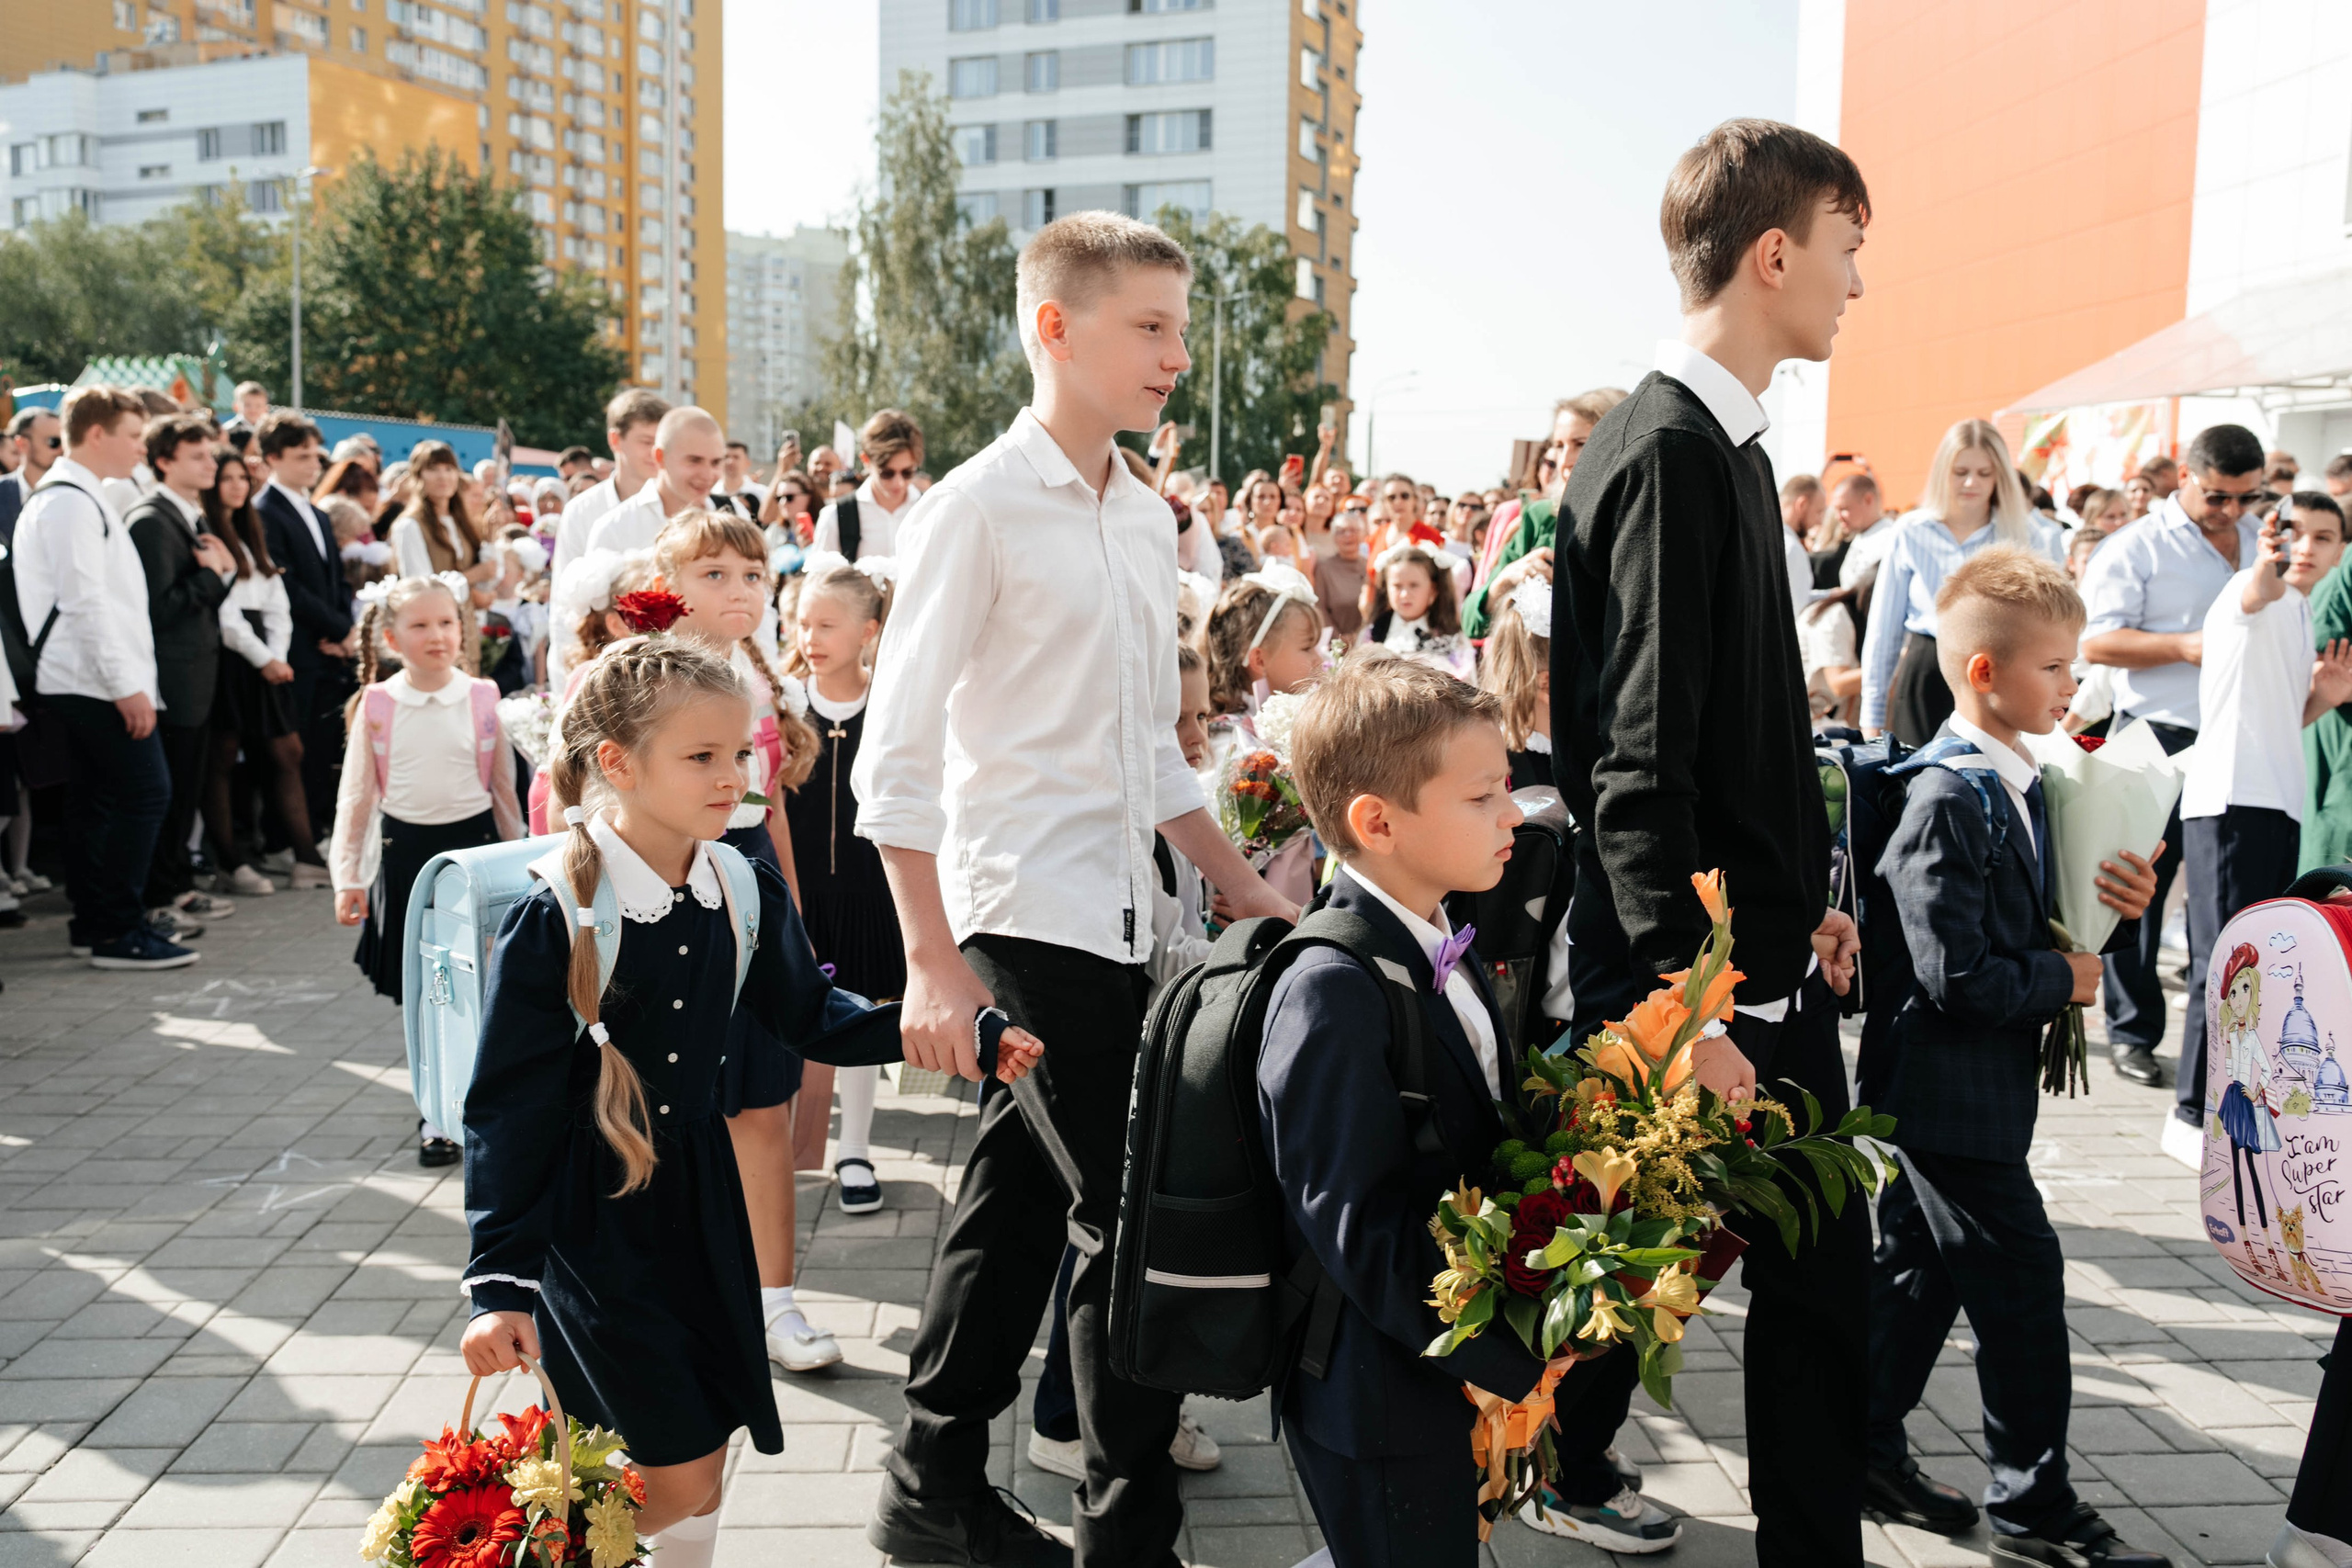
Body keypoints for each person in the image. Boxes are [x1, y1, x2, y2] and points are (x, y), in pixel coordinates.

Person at [856, 211, 1295, 1568]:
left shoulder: (1146, 514)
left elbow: (1150, 756)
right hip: (1019, 919)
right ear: (1057, 326)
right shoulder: (973, 508)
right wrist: (935, 961)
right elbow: (896, 758)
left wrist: (1247, 894)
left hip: (1131, 920)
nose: (1178, 352)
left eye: (1180, 324)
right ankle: (1124, 1525)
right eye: (1151, 325)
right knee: (1123, 1215)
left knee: (1016, 1209)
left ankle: (931, 1490)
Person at [459, 637, 1041, 1568]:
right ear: (617, 763)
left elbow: (811, 1013)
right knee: (669, 1468)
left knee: (698, 1451)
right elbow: (507, 1110)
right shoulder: (560, 913)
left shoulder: (738, 882)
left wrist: (956, 1035)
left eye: (739, 753)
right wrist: (499, 1281)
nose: (733, 776)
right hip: (595, 1231)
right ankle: (534, 1555)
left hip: (701, 1201)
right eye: (702, 757)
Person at [1552, 118, 1870, 1566]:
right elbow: (1635, 764)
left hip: (1750, 967)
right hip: (1704, 992)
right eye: (1849, 249)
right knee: (1770, 1288)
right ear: (1776, 251)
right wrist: (1691, 999)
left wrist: (1809, 899)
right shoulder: (1674, 448)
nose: (1857, 286)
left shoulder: (1720, 440)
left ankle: (1554, 1455)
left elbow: (1736, 735)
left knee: (1670, 1264)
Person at [1266, 652, 1662, 1561]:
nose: (1515, 814)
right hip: (1376, 1395)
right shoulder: (1332, 988)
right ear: (1378, 822)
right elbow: (1358, 1229)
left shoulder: (1443, 934)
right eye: (1483, 796)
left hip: (1434, 1370)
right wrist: (1513, 1353)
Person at [1865, 546, 2167, 1566]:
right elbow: (1953, 976)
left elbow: (2036, 934)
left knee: (1917, 1273)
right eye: (2053, 668)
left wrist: (2107, 915)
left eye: (2074, 666)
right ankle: (2034, 1506)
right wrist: (2065, 982)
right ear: (1983, 673)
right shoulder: (1949, 797)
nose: (2070, 686)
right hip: (1943, 1092)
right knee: (2025, 1288)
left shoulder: (2022, 781)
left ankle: (1863, 1446)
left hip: (1975, 1089)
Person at [651, 509, 836, 1373]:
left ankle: (777, 1302)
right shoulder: (638, 678)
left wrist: (791, 906)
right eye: (714, 574)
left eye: (753, 575)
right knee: (666, 1107)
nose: (740, 590)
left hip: (748, 880)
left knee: (763, 1104)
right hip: (663, 888)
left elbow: (769, 811)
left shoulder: (763, 685)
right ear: (668, 586)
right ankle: (682, 1296)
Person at [2079, 422, 2265, 1100]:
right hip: (2155, 731)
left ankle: (2215, 1042)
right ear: (2186, 476)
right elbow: (2097, 643)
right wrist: (2185, 647)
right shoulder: (2136, 546)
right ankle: (2131, 1033)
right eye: (2218, 496)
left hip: (2234, 732)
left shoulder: (2256, 539)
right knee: (2138, 889)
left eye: (2246, 497)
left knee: (2218, 890)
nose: (2232, 512)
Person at [2176, 492, 2352, 1173]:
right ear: (2270, 536)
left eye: (2324, 537)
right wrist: (2269, 561)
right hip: (2229, 798)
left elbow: (2280, 716)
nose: (2306, 546)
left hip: (2276, 804)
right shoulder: (2254, 589)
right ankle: (2192, 1112)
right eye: (2292, 532)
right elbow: (2259, 584)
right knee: (2219, 966)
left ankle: (2225, 1112)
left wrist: (2325, 698)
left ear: (2340, 550)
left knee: (2255, 968)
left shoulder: (2303, 610)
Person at [330, 575, 522, 1162]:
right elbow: (356, 797)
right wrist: (349, 878)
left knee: (485, 987)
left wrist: (526, 867)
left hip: (475, 857)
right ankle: (436, 1114)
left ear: (461, 629)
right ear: (391, 637)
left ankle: (487, 1103)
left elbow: (505, 792)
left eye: (446, 622)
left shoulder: (485, 697)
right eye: (419, 625)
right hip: (406, 859)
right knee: (425, 994)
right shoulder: (378, 705)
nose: (436, 635)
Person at [11, 387, 194, 969]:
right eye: (134, 437)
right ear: (96, 434)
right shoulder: (67, 502)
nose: (142, 448)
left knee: (98, 801)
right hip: (89, 679)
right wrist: (126, 687)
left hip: (91, 677)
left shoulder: (78, 496)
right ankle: (117, 929)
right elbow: (86, 604)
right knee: (145, 793)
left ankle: (97, 925)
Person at [786, 553, 906, 1218]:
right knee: (787, 1011)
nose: (811, 637)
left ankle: (853, 1147)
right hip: (798, 892)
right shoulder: (780, 702)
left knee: (860, 1014)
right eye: (804, 622)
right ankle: (783, 1141)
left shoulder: (889, 704)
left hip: (867, 892)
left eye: (827, 624)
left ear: (869, 631)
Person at [1859, 419, 2063, 745]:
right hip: (1926, 672)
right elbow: (1884, 630)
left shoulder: (2026, 534)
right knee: (1920, 783)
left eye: (1985, 473)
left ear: (2000, 476)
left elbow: (2051, 626)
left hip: (2000, 677)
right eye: (1960, 471)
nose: (1971, 483)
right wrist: (1870, 718)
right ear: (1943, 472)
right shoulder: (1911, 530)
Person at [125, 413, 239, 936]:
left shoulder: (188, 515)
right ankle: (157, 894)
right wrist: (215, 576)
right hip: (172, 681)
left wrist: (222, 573)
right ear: (164, 461)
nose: (211, 464)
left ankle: (175, 888)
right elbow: (160, 607)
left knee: (186, 790)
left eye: (211, 454)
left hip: (197, 676)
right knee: (167, 796)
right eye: (197, 456)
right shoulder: (151, 520)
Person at [199, 448, 305, 898]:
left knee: (286, 753)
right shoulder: (205, 531)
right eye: (227, 478)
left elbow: (277, 601)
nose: (238, 485)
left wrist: (275, 655)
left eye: (243, 477)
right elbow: (224, 612)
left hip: (266, 656)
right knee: (221, 760)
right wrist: (264, 658)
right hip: (231, 658)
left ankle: (304, 855)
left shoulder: (249, 533)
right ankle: (230, 859)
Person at [254, 412, 354, 848]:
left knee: (322, 744)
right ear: (272, 458)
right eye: (300, 456)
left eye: (316, 454)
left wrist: (346, 629)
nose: (313, 464)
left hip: (330, 647)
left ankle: (316, 827)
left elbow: (337, 578)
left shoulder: (316, 511)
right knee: (294, 749)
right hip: (296, 647)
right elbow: (285, 583)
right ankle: (289, 839)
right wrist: (332, 627)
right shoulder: (265, 511)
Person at [1462, 389, 1629, 638]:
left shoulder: (1634, 518)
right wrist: (1506, 580)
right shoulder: (1540, 517)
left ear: (1617, 441)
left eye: (1580, 444)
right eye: (1559, 446)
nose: (1565, 461)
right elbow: (1471, 622)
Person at [549, 388, 673, 612]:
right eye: (646, 442)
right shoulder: (581, 510)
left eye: (661, 442)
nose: (656, 452)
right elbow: (563, 600)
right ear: (615, 440)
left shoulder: (679, 507)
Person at [583, 407, 728, 562]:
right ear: (660, 457)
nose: (707, 475)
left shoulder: (734, 516)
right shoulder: (614, 529)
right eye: (694, 461)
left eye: (716, 462)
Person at [389, 441, 496, 596]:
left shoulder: (461, 522)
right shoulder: (409, 525)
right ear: (418, 475)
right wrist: (472, 576)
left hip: (467, 618)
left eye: (449, 469)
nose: (443, 476)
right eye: (433, 469)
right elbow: (420, 589)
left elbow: (488, 577)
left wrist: (491, 538)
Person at [813, 410, 923, 559]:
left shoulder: (930, 510)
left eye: (907, 472)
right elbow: (820, 580)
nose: (899, 482)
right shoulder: (835, 517)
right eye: (887, 473)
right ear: (866, 460)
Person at [1364, 541, 1471, 678]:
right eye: (1397, 586)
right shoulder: (1374, 632)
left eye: (1414, 585)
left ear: (1433, 590)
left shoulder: (1451, 636)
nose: (1405, 594)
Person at [0, 406, 62, 545]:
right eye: (53, 442)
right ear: (22, 444)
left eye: (65, 441)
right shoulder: (2, 492)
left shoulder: (73, 493)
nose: (61, 449)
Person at [1312, 503, 1369, 639]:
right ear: (1333, 537)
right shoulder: (1323, 568)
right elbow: (1320, 608)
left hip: (1369, 641)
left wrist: (1361, 636)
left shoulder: (1371, 566)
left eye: (1353, 530)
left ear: (1362, 534)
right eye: (1341, 531)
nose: (1348, 535)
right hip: (1337, 644)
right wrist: (1339, 638)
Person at [714, 439, 763, 516]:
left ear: (747, 463)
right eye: (726, 457)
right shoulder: (711, 493)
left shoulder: (762, 494)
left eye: (736, 457)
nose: (730, 461)